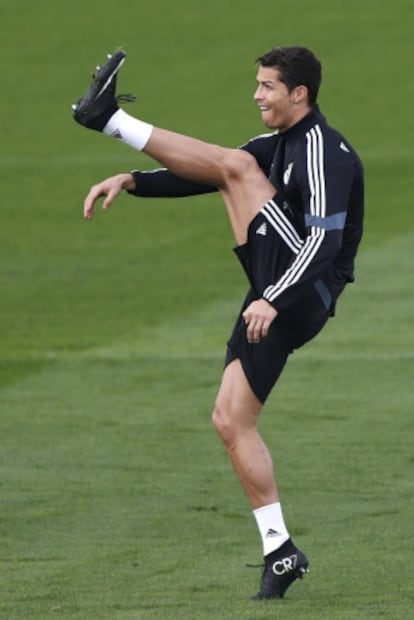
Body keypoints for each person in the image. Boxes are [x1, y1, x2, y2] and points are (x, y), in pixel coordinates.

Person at [72, 47, 364, 600]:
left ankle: (107, 118)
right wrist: (133, 181)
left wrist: (274, 297)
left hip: (300, 292)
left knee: (235, 164)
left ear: (298, 94)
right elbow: (205, 174)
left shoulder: (328, 152)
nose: (257, 95)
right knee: (231, 420)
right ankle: (280, 552)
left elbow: (323, 243)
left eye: (267, 86)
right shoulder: (274, 146)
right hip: (272, 291)